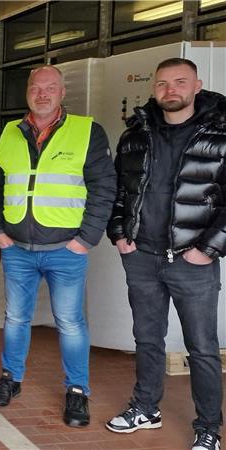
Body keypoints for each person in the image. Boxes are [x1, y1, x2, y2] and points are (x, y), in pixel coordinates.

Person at [0, 65, 116, 428]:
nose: (42, 94)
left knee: (70, 322)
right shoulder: (9, 132)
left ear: (62, 93)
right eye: (36, 87)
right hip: (17, 248)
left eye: (50, 88)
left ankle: (77, 391)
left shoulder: (87, 131)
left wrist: (85, 239)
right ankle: (11, 379)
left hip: (66, 249)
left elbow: (104, 188)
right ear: (27, 91)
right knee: (15, 319)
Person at [106, 58, 224, 450]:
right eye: (162, 84)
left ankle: (209, 426)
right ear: (154, 88)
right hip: (143, 257)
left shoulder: (220, 133)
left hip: (193, 262)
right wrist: (121, 235)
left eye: (179, 82)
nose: (170, 90)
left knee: (202, 348)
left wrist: (207, 250)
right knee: (146, 338)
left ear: (197, 85)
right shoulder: (136, 134)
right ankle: (146, 407)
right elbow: (120, 192)